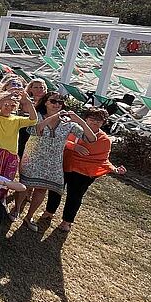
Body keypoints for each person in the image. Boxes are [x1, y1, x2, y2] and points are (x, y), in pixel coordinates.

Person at [15, 93, 97, 231]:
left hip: (53, 162)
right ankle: (16, 209)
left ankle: (29, 216)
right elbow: (34, 130)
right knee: (26, 185)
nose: (57, 104)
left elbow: (91, 139)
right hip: (33, 157)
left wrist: (80, 121)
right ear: (45, 102)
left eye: (60, 102)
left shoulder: (68, 124)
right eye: (53, 101)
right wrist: (53, 117)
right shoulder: (38, 115)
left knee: (41, 189)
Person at [42, 108, 126, 232]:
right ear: (85, 119)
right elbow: (58, 139)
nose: (95, 122)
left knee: (74, 196)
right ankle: (49, 212)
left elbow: (103, 159)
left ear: (103, 123)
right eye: (92, 119)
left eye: (99, 120)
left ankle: (67, 221)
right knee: (55, 189)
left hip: (84, 172)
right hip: (64, 163)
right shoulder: (74, 128)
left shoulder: (104, 140)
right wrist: (73, 146)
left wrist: (114, 169)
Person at [0, 88, 37, 202]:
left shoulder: (17, 119)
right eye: (6, 104)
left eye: (12, 106)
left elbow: (33, 120)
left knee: (5, 180)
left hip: (9, 156)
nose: (9, 108)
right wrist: (6, 97)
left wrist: (27, 101)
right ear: (0, 104)